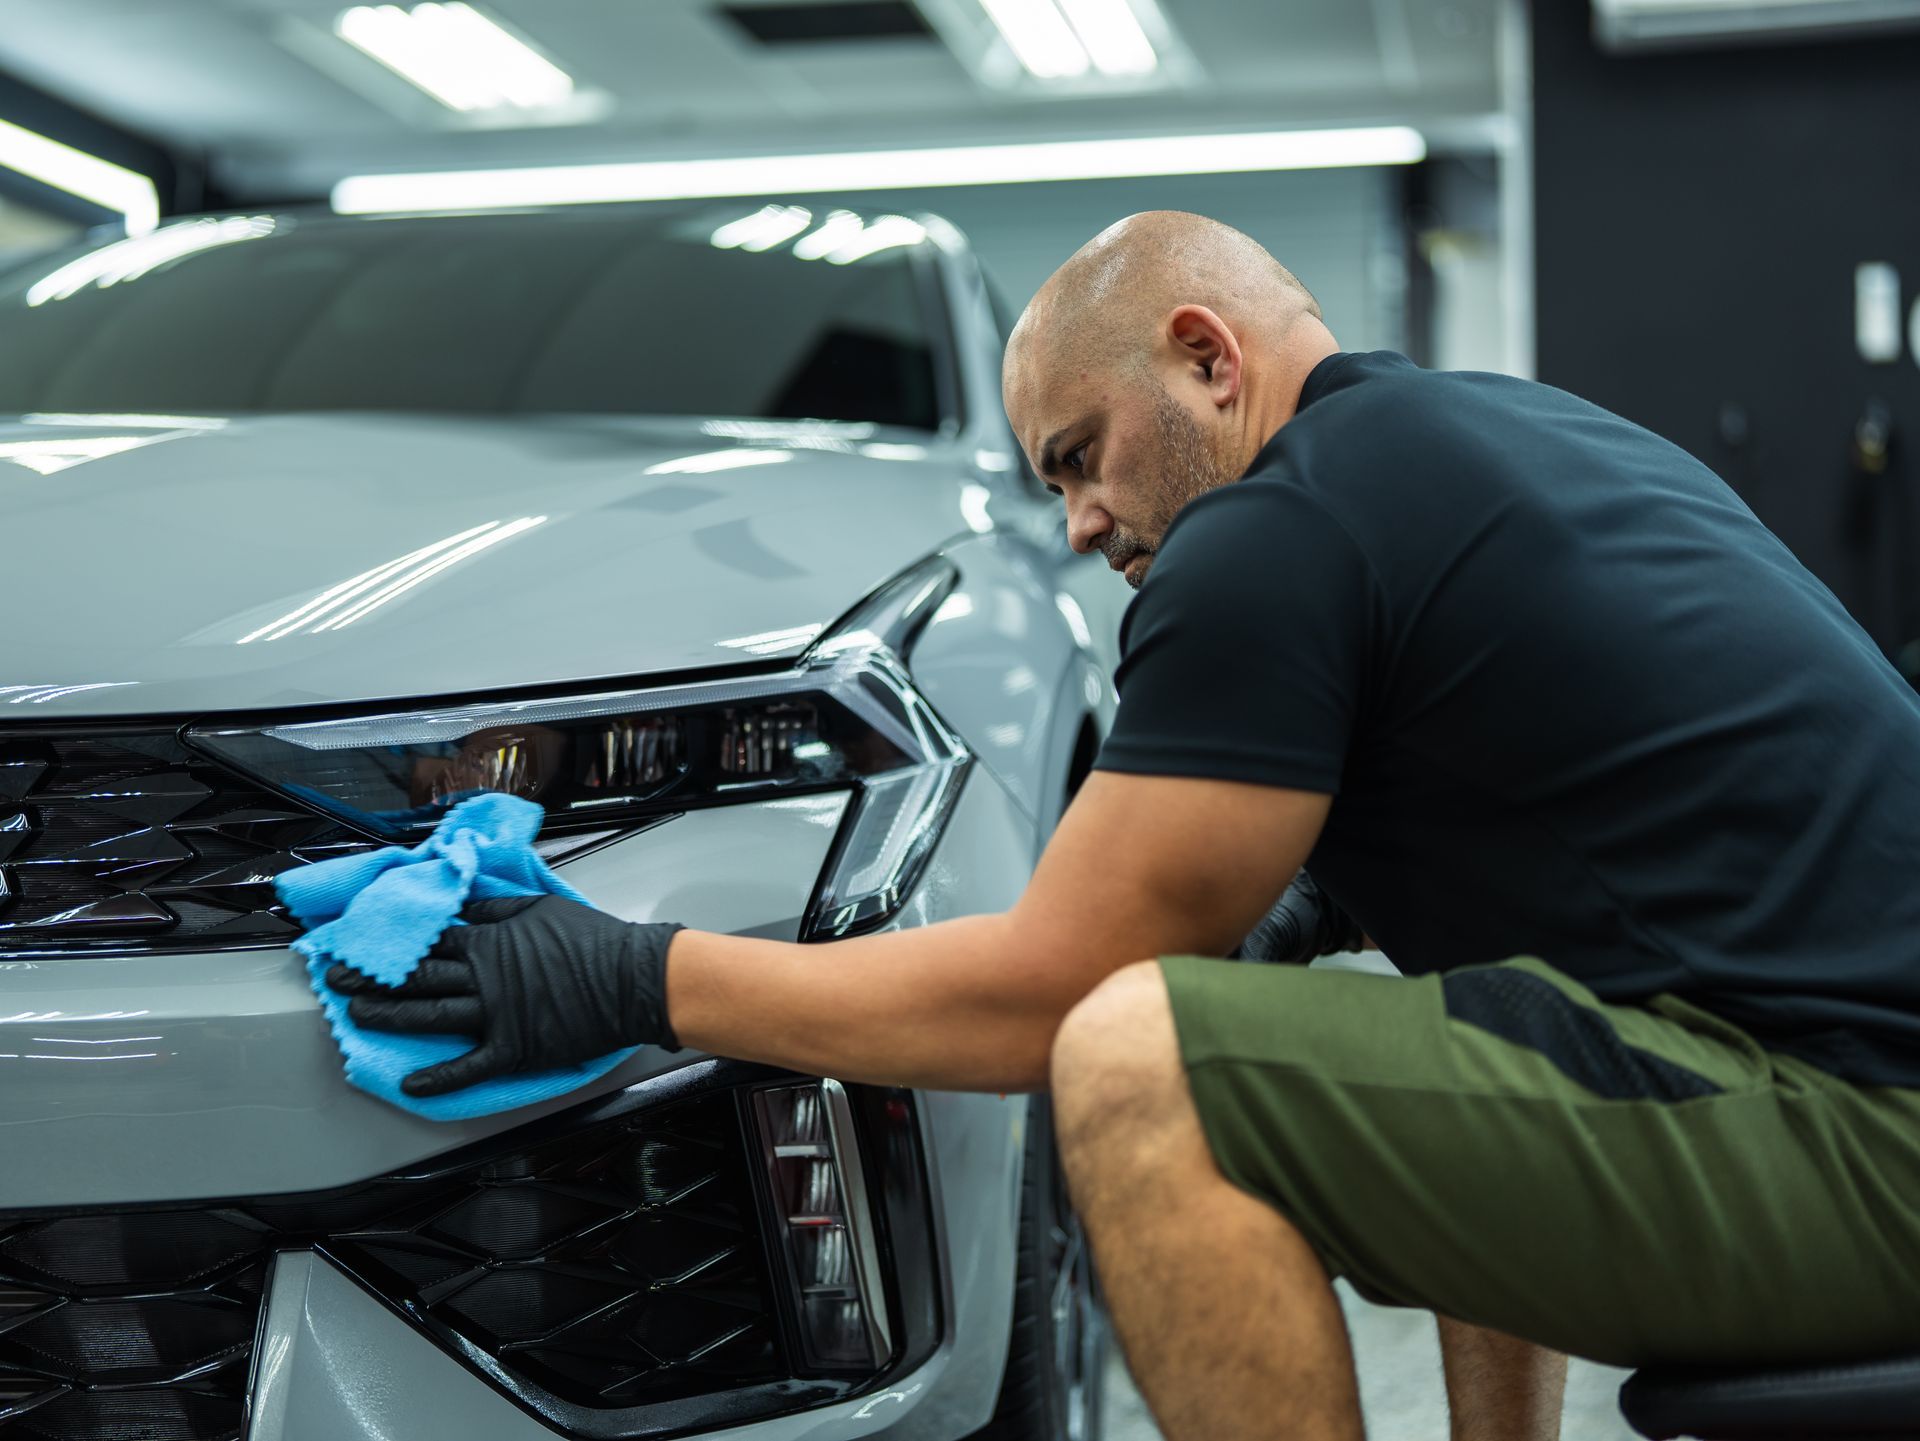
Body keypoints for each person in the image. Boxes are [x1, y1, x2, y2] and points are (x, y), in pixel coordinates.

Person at [332, 211, 1920, 1441]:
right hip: (1835, 1090)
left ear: (1206, 360)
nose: (1082, 525)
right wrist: (1332, 898)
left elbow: (1051, 991)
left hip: (1865, 1140)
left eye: (1081, 458)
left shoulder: (1278, 524)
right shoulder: (1505, 440)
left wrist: (633, 976)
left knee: (1140, 1057)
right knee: (1445, 1027)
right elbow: (1538, 984)